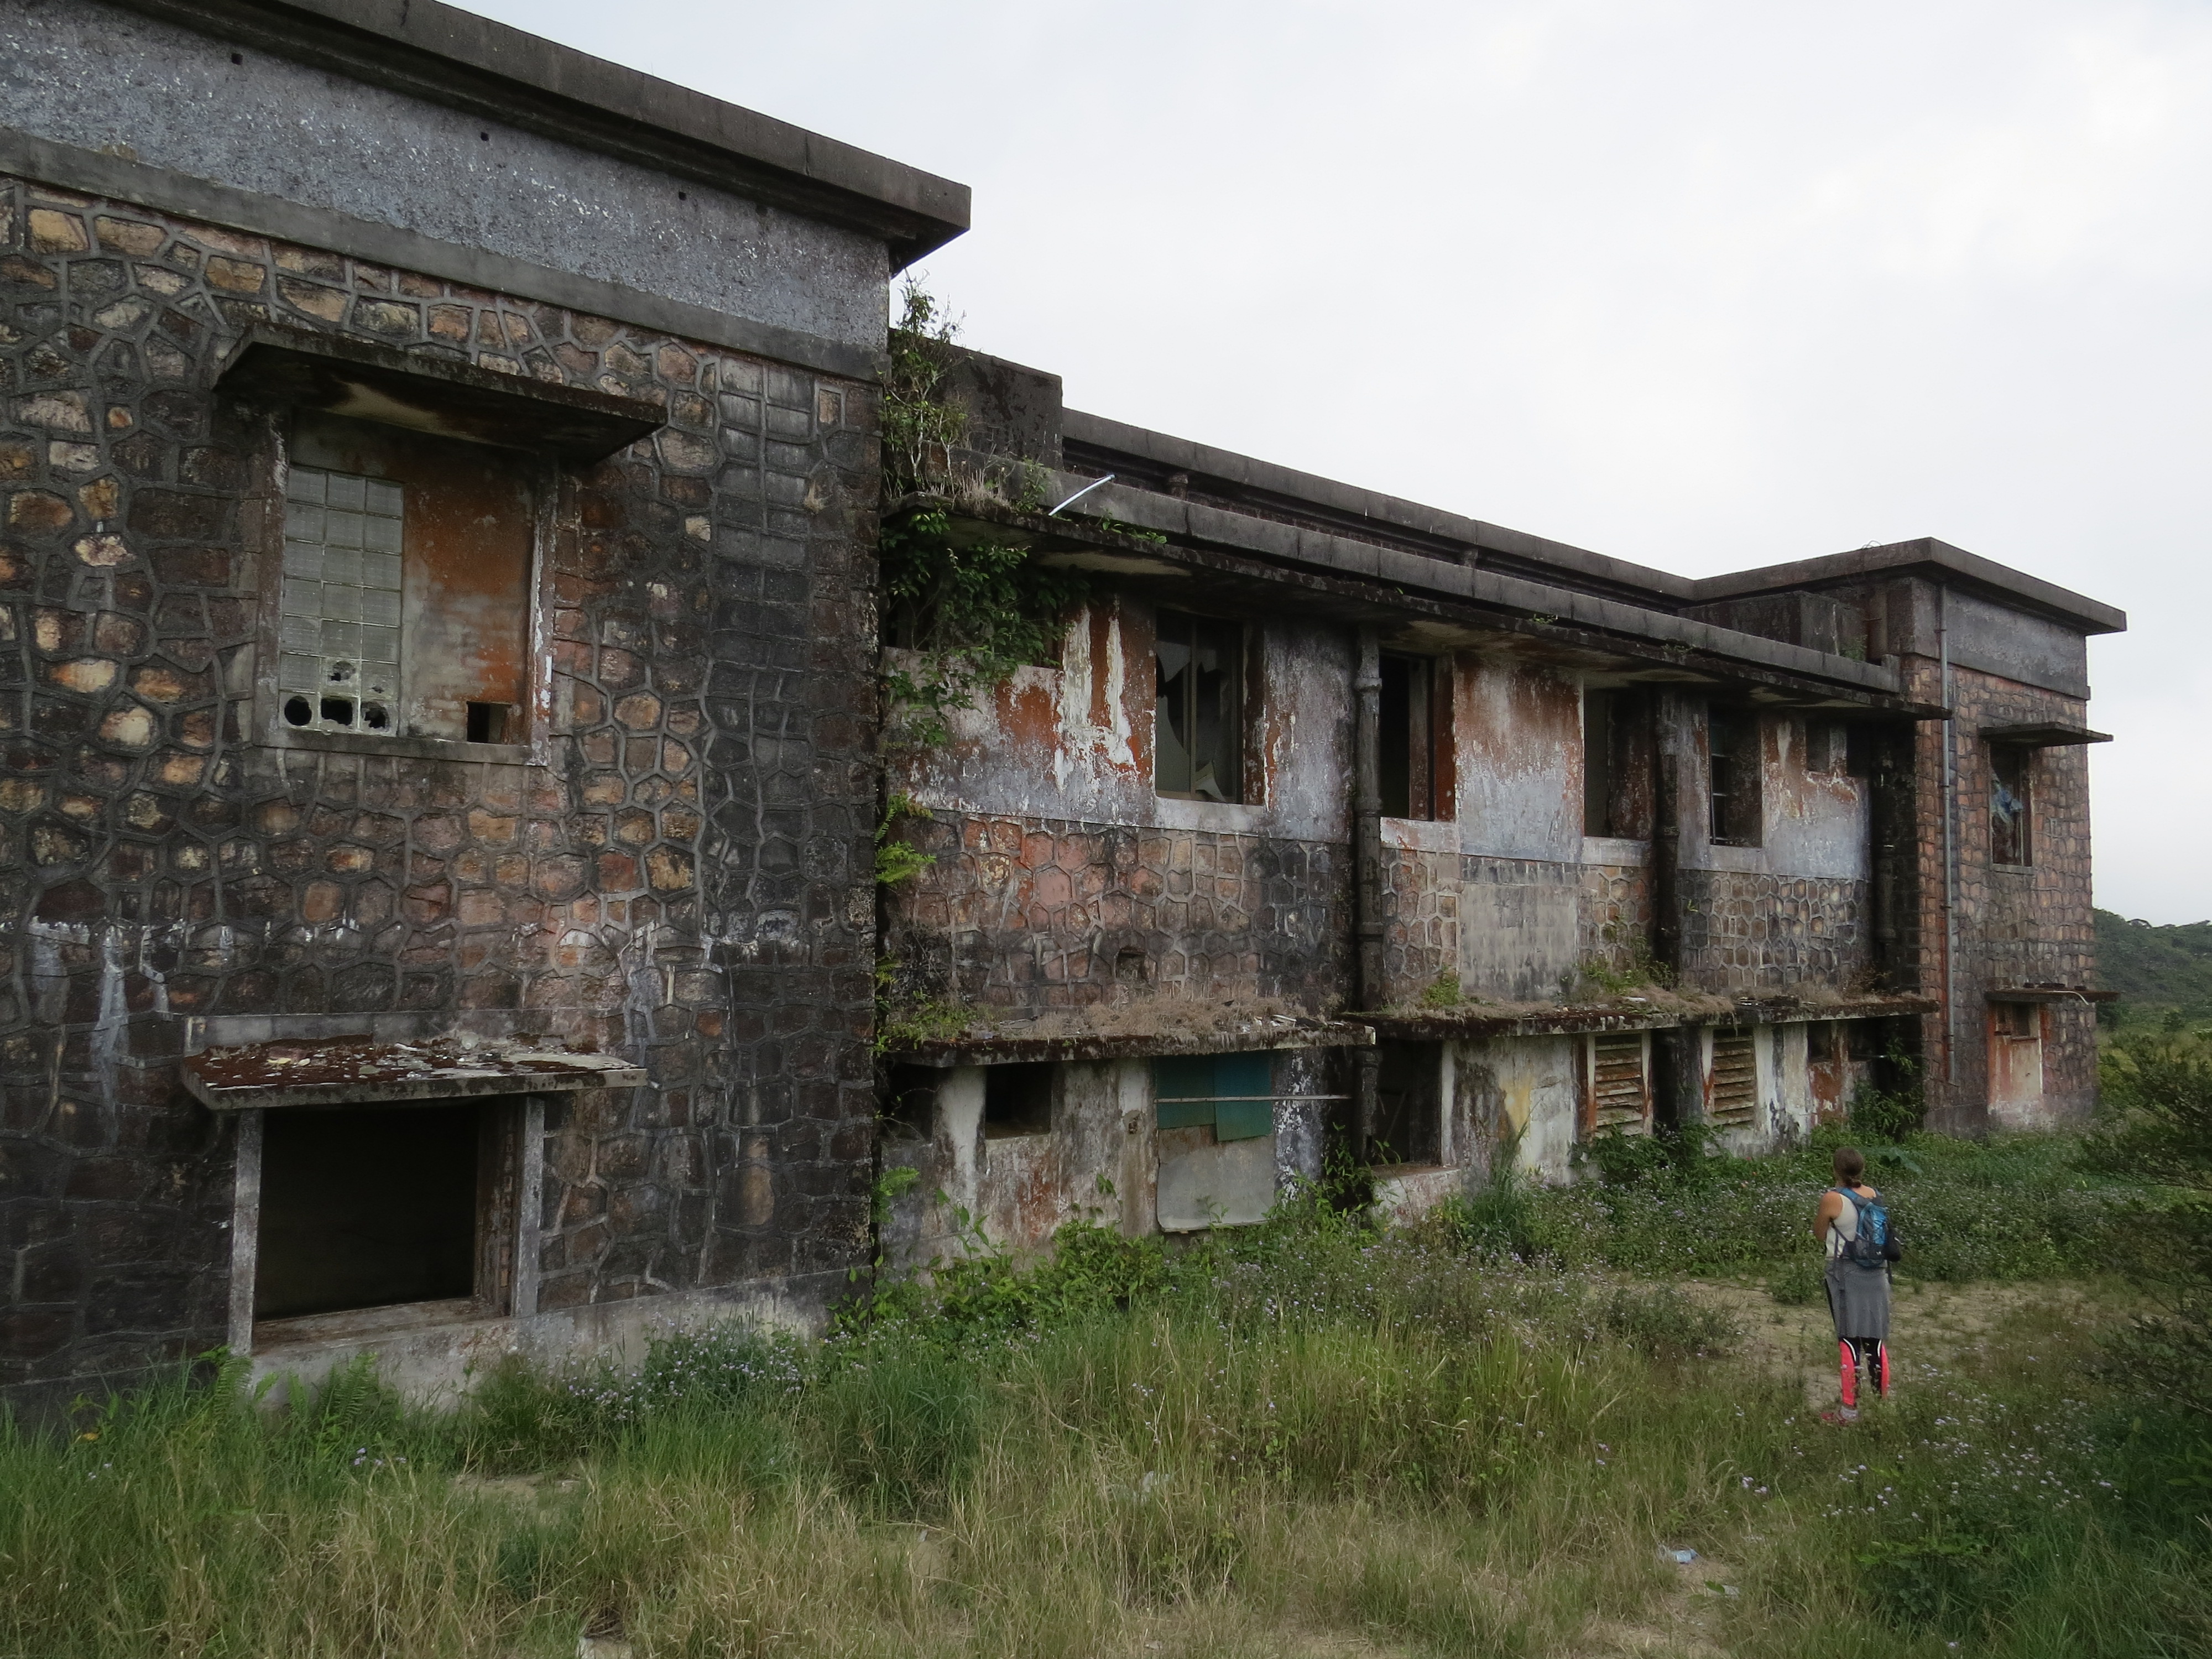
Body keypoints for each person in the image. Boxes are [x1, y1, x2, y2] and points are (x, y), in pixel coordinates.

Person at [1813, 1145, 1890, 1422]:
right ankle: (1882, 1407)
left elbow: (1820, 1234)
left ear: (1835, 1170)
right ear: (1862, 1169)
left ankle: (1849, 1411)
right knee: (1875, 1342)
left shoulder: (1832, 1199)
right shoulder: (1875, 1195)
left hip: (1845, 1273)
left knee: (1848, 1340)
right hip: (1877, 1273)